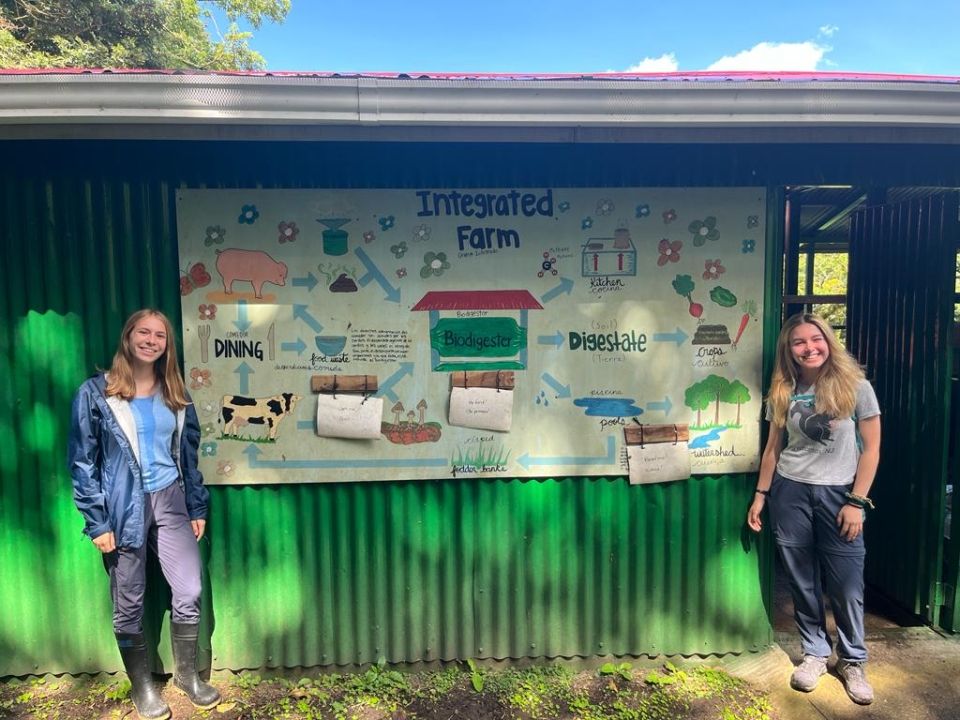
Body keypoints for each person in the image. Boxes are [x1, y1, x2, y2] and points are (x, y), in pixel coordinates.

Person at [69, 309, 220, 720]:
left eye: (160, 335)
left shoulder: (175, 391)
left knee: (188, 589)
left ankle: (188, 677)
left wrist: (196, 505)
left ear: (167, 345)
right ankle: (143, 689)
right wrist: (97, 521)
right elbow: (83, 463)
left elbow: (188, 454)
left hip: (171, 500)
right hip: (123, 508)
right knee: (129, 601)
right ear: (128, 336)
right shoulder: (96, 393)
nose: (151, 340)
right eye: (144, 332)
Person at [747, 313, 881, 706]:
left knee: (845, 581)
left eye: (816, 339)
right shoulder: (784, 390)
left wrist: (857, 501)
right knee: (800, 578)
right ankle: (815, 652)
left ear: (828, 340)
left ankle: (853, 659)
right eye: (799, 342)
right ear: (788, 350)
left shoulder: (856, 387)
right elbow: (773, 448)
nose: (809, 348)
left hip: (840, 494)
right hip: (790, 490)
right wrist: (761, 494)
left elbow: (871, 449)